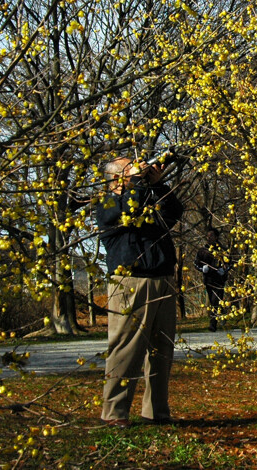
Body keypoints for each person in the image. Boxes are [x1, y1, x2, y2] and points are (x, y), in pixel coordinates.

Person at [94, 155, 184, 426]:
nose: (138, 168)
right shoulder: (106, 202)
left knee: (161, 350)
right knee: (126, 348)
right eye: (129, 167)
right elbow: (122, 213)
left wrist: (158, 184)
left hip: (162, 278)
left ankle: (156, 411)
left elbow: (174, 213)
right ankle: (114, 413)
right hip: (130, 282)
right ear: (116, 177)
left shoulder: (146, 198)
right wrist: (136, 182)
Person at [194, 228, 229, 332]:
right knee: (214, 301)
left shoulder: (222, 250)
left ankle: (213, 324)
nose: (209, 238)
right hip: (208, 279)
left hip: (220, 279)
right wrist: (202, 269)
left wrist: (224, 269)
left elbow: (230, 262)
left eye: (211, 236)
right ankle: (222, 312)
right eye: (208, 236)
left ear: (216, 237)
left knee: (215, 300)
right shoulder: (203, 250)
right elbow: (196, 263)